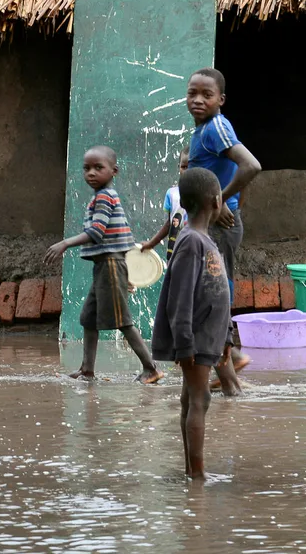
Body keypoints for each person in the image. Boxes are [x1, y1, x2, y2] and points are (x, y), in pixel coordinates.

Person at [44, 145, 164, 383]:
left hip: (111, 266)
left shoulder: (105, 197)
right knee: (89, 318)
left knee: (122, 321)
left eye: (98, 168)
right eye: (87, 168)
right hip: (104, 267)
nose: (91, 173)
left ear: (114, 171)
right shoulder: (100, 197)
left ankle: (151, 368)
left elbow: (96, 232)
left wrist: (65, 243)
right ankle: (87, 370)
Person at [151, 168, 233, 479]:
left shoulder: (205, 241)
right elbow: (179, 299)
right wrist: (184, 342)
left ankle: (190, 471)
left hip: (208, 337)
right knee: (200, 399)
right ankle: (196, 476)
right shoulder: (190, 243)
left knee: (191, 398)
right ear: (217, 200)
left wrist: (228, 336)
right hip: (195, 339)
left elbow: (219, 296)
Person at [185, 67, 261, 392]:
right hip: (210, 224)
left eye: (207, 95)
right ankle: (230, 375)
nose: (198, 100)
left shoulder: (216, 127)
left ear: (221, 100)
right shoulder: (203, 130)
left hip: (218, 225)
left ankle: (231, 382)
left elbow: (251, 166)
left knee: (211, 302)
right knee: (207, 301)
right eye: (193, 93)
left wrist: (220, 203)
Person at [140, 146, 189, 261]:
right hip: (174, 253)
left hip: (194, 253)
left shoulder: (203, 192)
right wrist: (151, 243)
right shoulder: (171, 194)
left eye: (192, 166)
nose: (187, 170)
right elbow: (169, 224)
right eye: (184, 167)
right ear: (179, 168)